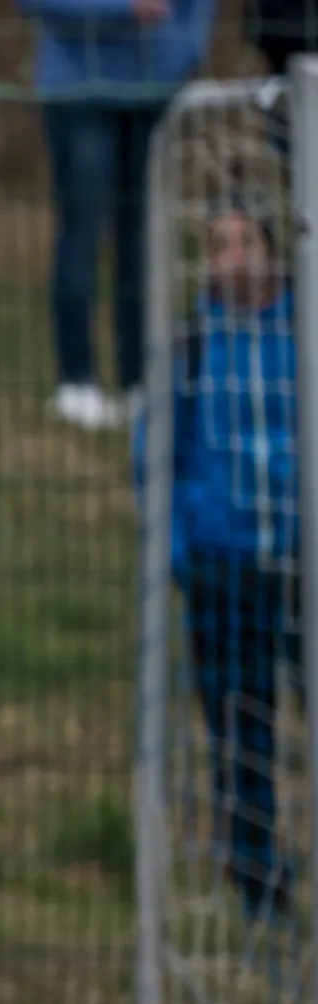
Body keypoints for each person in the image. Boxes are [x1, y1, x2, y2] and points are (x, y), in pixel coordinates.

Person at [144, 201, 301, 926]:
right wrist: (182, 552)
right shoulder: (192, 345)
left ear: (275, 249)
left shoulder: (301, 334)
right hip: (223, 569)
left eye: (245, 241)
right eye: (217, 244)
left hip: (300, 565)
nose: (232, 256)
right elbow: (157, 459)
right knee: (242, 732)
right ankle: (256, 880)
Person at [20, 0, 216, 430]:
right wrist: (121, 8)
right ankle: (76, 382)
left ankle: (139, 381)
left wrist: (187, 52)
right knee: (81, 235)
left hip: (156, 86)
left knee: (143, 239)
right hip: (78, 88)